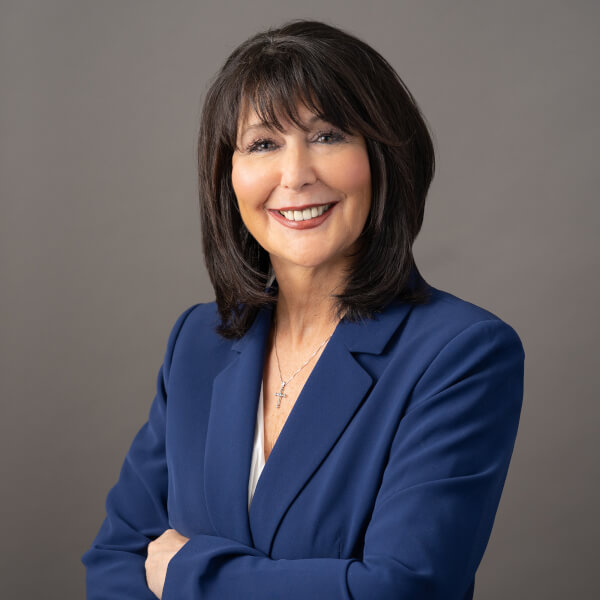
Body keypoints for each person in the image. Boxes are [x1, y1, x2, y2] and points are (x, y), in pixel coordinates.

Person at [82, 19, 525, 600]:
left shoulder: (461, 353)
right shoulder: (198, 340)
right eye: (263, 143)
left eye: (327, 135)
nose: (295, 176)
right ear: (229, 176)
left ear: (384, 156)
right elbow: (117, 560)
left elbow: (403, 588)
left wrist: (192, 575)